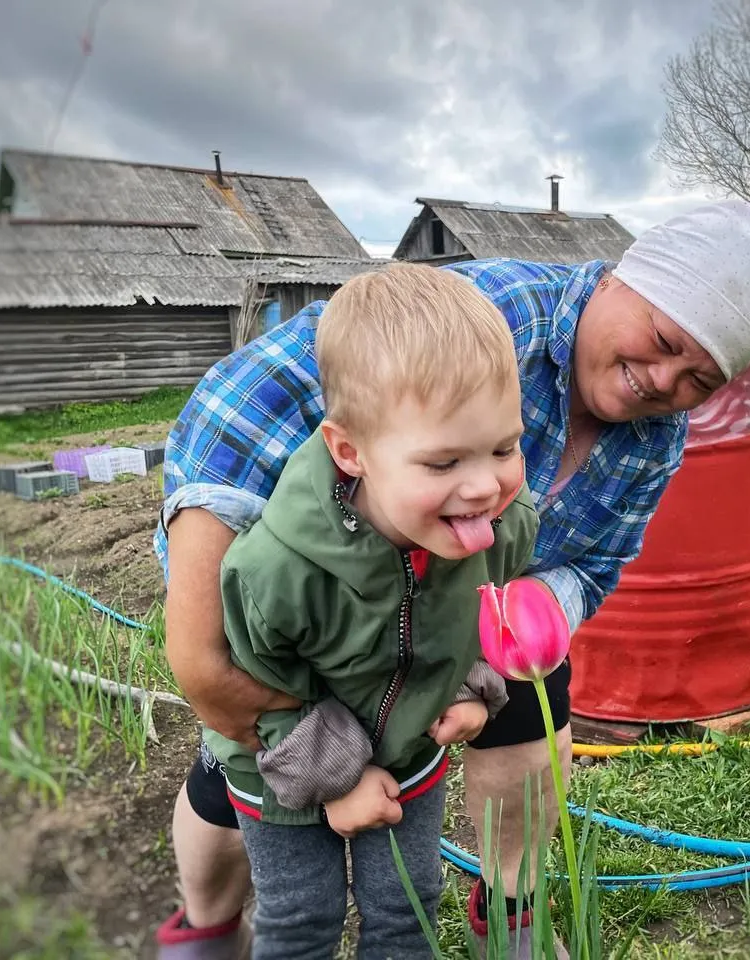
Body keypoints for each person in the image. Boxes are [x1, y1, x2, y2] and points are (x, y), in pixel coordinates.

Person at [153, 198, 750, 960]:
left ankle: (512, 913)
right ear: (623, 280)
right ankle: (209, 926)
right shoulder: (489, 320)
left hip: (458, 619)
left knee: (535, 711)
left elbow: (593, 566)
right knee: (246, 776)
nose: (662, 381)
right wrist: (201, 632)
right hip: (331, 607)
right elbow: (246, 398)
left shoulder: (657, 440)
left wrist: (504, 649)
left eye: (699, 377)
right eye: (662, 341)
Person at [178, 263, 540, 959]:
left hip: (408, 748)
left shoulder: (505, 524)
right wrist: (336, 780)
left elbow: (471, 618)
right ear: (351, 452)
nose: (485, 486)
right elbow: (255, 686)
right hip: (281, 765)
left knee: (407, 908)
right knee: (302, 919)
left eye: (504, 447)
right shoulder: (278, 568)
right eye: (443, 463)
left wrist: (471, 689)